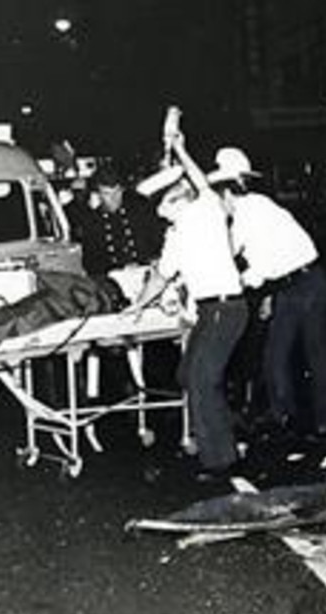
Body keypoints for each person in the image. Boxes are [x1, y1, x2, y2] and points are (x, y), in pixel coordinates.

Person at [127, 133, 248, 483]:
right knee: (188, 375)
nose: (160, 210)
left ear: (181, 199)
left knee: (201, 379)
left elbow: (197, 177)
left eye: (165, 202)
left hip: (228, 307)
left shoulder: (207, 211)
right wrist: (136, 307)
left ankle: (220, 461)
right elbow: (161, 276)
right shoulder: (175, 235)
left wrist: (179, 148)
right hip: (210, 312)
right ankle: (223, 440)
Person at [208, 147, 326, 438]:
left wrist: (232, 283)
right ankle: (284, 416)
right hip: (291, 284)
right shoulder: (252, 209)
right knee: (276, 354)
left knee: (315, 353)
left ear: (227, 192)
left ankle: (324, 421)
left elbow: (260, 265)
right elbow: (236, 251)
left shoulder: (253, 211)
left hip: (309, 282)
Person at [77, 165, 162, 277]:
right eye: (107, 194)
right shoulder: (92, 221)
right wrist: (118, 270)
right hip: (114, 277)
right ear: (98, 194)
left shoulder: (139, 208)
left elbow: (156, 239)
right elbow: (91, 263)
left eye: (117, 192)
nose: (114, 199)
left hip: (146, 271)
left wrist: (149, 261)